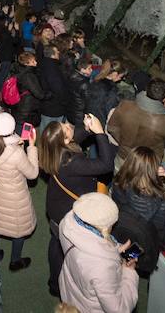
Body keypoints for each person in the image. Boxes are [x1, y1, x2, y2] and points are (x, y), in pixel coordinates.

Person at [38, 114, 116, 297]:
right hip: (67, 214)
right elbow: (106, 165)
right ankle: (62, 285)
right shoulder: (71, 162)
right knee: (71, 249)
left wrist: (87, 128)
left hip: (55, 207)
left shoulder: (52, 149)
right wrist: (100, 133)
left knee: (56, 242)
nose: (68, 125)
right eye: (65, 128)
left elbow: (74, 137)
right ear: (64, 141)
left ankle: (53, 283)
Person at [58, 193, 139, 313]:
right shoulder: (102, 268)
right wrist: (129, 271)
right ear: (105, 228)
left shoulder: (67, 222)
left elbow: (89, 248)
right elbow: (119, 309)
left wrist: (115, 251)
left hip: (71, 290)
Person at [0, 113, 38, 271]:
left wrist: (16, 144)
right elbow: (33, 173)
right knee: (18, 229)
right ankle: (15, 260)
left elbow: (1, 152)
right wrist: (31, 147)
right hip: (15, 198)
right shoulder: (16, 153)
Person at [111, 146, 165, 250]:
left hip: (124, 230)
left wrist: (155, 178)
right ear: (153, 169)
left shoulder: (119, 182)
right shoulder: (163, 201)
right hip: (152, 241)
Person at [107, 79, 165, 160]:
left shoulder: (124, 105)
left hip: (122, 154)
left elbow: (111, 128)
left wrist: (124, 144)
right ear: (164, 98)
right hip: (146, 163)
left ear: (146, 90)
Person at [11, 51, 50, 131]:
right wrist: (50, 94)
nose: (36, 62)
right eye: (33, 61)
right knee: (26, 130)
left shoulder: (19, 70)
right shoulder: (28, 76)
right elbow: (39, 94)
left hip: (20, 104)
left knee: (22, 127)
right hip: (27, 108)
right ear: (26, 64)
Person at [38, 44, 68, 131]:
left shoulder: (45, 64)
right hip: (54, 107)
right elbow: (58, 88)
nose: (59, 53)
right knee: (51, 131)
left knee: (46, 130)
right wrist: (64, 101)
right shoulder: (52, 68)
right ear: (53, 55)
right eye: (57, 52)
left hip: (48, 105)